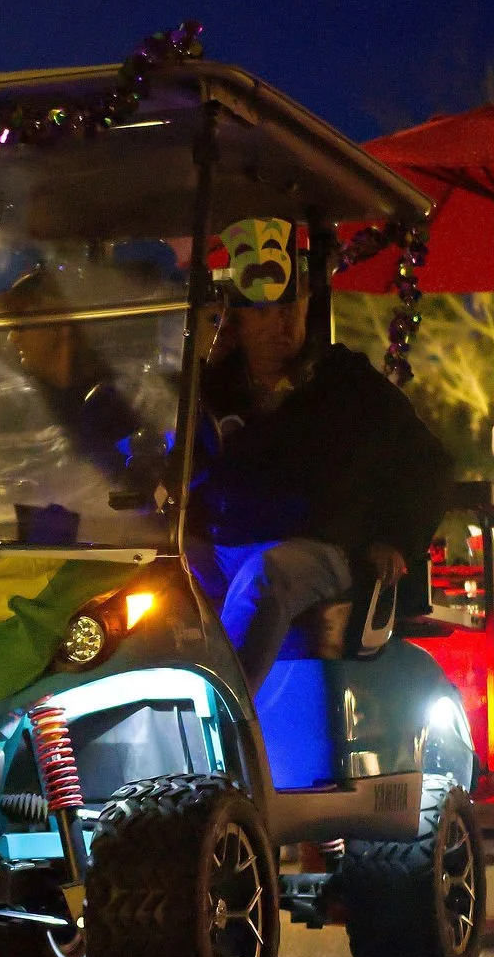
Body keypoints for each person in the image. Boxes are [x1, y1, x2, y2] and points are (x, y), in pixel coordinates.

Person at [191, 218, 452, 687]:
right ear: (240, 317)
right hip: (225, 539)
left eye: (291, 306)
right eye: (264, 312)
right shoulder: (213, 387)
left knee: (265, 576)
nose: (281, 324)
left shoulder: (343, 380)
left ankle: (223, 720)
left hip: (319, 545)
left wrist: (396, 536)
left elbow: (428, 460)